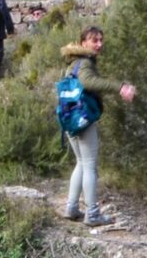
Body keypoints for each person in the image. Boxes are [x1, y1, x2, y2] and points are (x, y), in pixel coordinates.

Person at [58, 26, 136, 227]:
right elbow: (87, 82)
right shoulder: (84, 63)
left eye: (101, 40)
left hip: (70, 118)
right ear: (84, 42)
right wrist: (119, 87)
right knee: (90, 165)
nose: (99, 44)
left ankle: (72, 207)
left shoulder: (73, 62)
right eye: (94, 40)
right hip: (83, 119)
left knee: (81, 163)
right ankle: (92, 214)